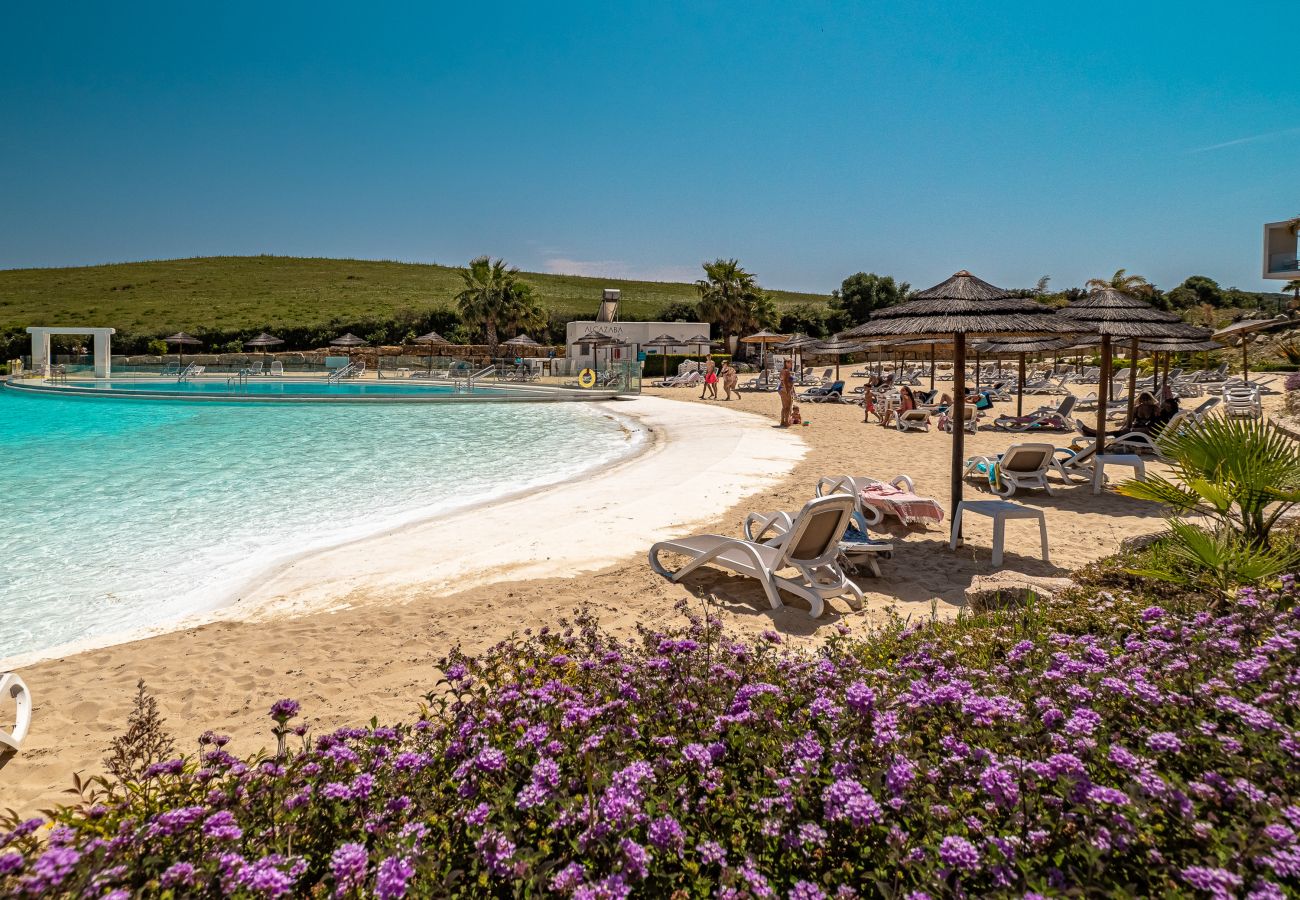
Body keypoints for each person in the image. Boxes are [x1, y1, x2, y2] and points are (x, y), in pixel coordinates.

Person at [777, 360, 795, 426]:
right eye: (790, 363)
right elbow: (785, 382)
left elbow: (782, 380)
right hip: (785, 390)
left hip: (781, 389)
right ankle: (786, 422)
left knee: (784, 407)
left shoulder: (782, 370)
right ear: (786, 363)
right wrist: (788, 391)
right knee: (788, 407)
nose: (791, 364)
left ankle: (782, 421)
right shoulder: (786, 371)